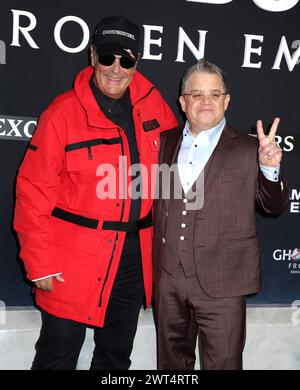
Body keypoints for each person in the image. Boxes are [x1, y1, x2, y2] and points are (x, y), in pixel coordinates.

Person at [14, 16, 177, 370]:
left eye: (127, 60)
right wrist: (39, 262)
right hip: (72, 257)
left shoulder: (155, 106)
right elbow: (32, 195)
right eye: (107, 57)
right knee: (57, 356)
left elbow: (184, 164)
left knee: (115, 360)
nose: (116, 69)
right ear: (92, 57)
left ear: (137, 62)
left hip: (134, 259)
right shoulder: (60, 115)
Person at [152, 58, 289, 370]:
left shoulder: (249, 148)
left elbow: (273, 205)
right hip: (169, 279)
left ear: (226, 101)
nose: (205, 101)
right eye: (197, 94)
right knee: (171, 365)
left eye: (214, 94)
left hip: (224, 282)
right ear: (183, 102)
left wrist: (269, 168)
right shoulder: (162, 143)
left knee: (224, 363)